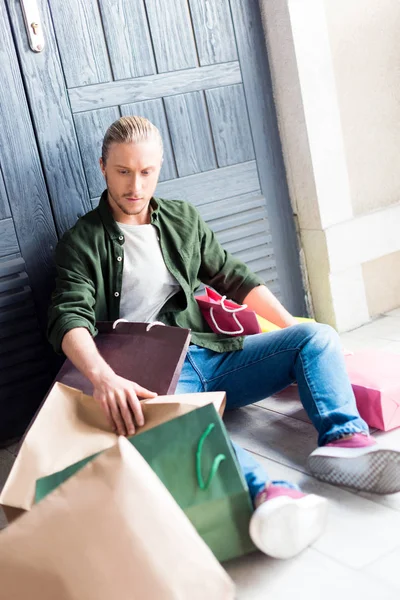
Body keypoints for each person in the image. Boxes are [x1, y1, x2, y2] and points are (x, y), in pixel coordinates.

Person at [48, 116, 400, 560]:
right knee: (176, 420)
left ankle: (345, 442)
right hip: (155, 376)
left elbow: (233, 277)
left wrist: (293, 329)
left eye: (146, 171)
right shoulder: (81, 242)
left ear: (159, 167)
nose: (135, 185)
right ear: (102, 167)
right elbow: (68, 315)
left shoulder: (181, 218)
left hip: (209, 354)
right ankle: (269, 495)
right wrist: (103, 378)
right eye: (122, 171)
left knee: (316, 335)